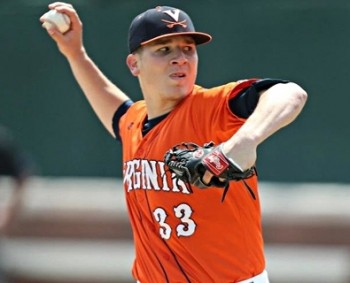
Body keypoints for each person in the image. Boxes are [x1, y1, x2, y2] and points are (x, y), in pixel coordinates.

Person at [40, 3, 307, 283]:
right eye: (164, 49)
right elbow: (113, 107)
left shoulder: (212, 107)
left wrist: (240, 143)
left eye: (188, 48)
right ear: (134, 64)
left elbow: (290, 93)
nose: (180, 58)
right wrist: (75, 53)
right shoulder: (134, 121)